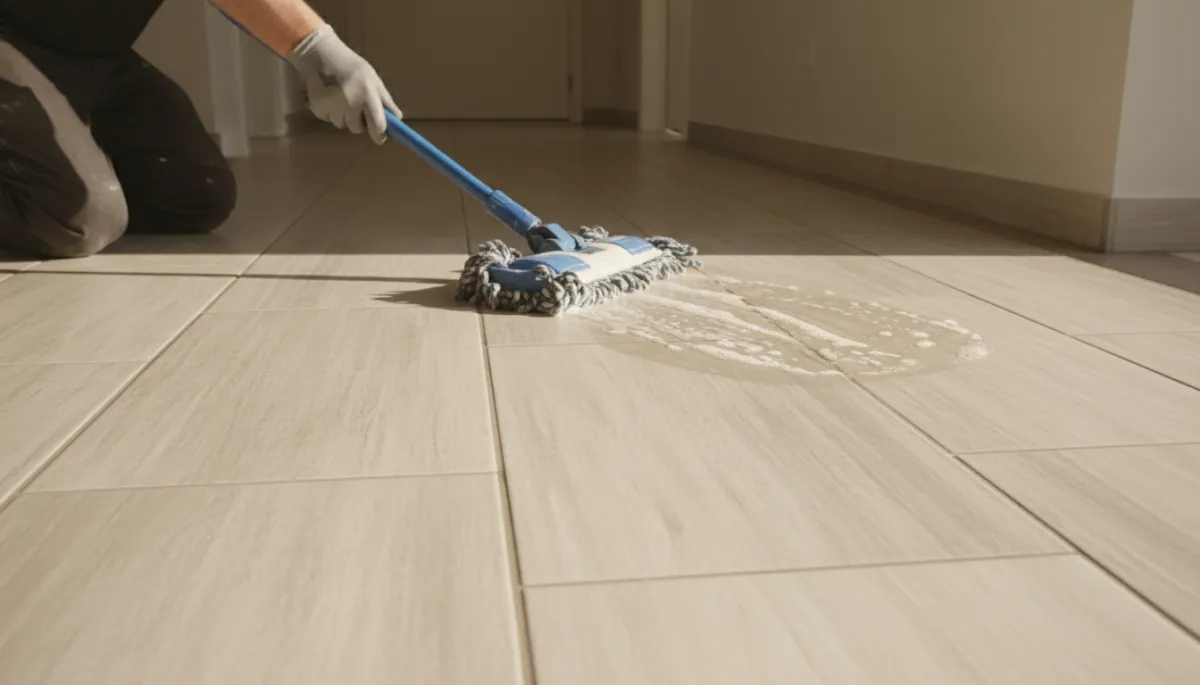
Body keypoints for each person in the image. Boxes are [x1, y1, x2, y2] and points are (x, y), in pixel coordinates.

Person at [0, 0, 399, 258]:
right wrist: (312, 44)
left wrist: (317, 48)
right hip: (11, 41)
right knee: (76, 220)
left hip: (97, 54)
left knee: (196, 195)